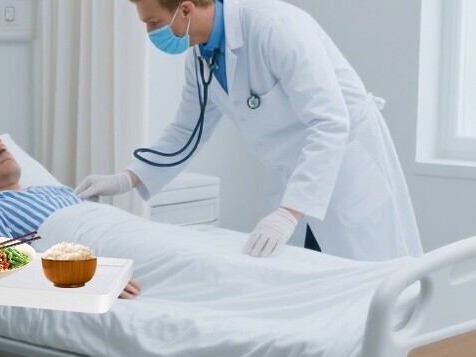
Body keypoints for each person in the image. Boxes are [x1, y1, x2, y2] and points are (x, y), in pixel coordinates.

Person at [75, 0, 422, 262]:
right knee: (302, 277)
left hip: (346, 165)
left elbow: (330, 121)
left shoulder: (274, 26)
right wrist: (127, 178)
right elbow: (186, 132)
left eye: (153, 22)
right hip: (292, 172)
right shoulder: (202, 57)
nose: (150, 33)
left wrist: (289, 213)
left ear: (185, 10)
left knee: (375, 278)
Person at [0, 123, 142, 299]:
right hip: (110, 273)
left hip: (134, 245)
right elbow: (0, 271)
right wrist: (89, 276)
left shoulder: (59, 190)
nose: (1, 149)